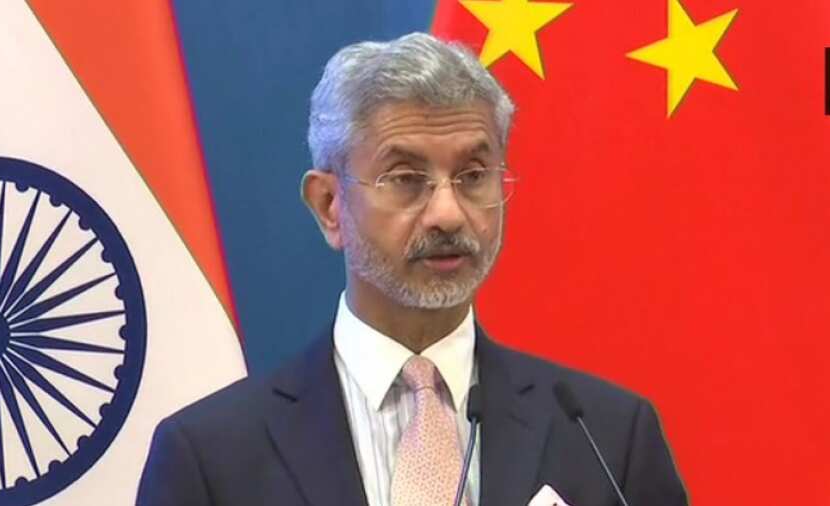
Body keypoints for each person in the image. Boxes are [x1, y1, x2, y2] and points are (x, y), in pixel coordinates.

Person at [136, 33, 687, 506]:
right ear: (329, 205)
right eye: (405, 178)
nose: (448, 213)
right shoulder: (211, 457)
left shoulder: (607, 437)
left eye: (473, 174)